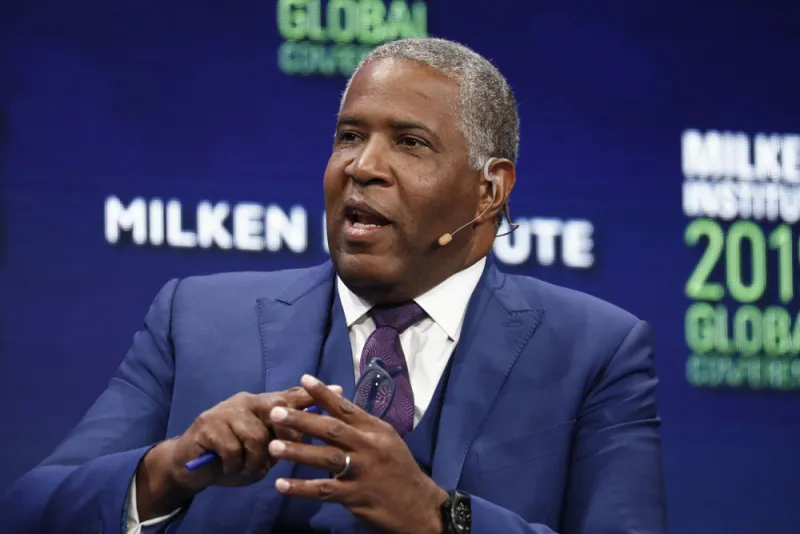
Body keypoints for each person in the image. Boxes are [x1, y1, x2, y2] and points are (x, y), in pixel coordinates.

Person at [1, 37, 667, 533]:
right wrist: (167, 470)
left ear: (489, 190)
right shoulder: (194, 318)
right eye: (350, 136)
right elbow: (28, 512)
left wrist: (439, 517)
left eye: (409, 143)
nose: (362, 166)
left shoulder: (595, 351)